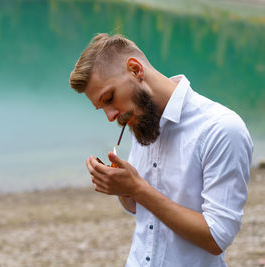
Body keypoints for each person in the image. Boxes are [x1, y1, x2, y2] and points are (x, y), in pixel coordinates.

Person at [69, 33, 253, 267]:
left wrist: (137, 187)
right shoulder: (143, 117)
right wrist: (123, 189)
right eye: (101, 108)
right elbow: (139, 208)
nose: (110, 116)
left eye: (109, 98)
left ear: (135, 70)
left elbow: (217, 237)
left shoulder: (222, 129)